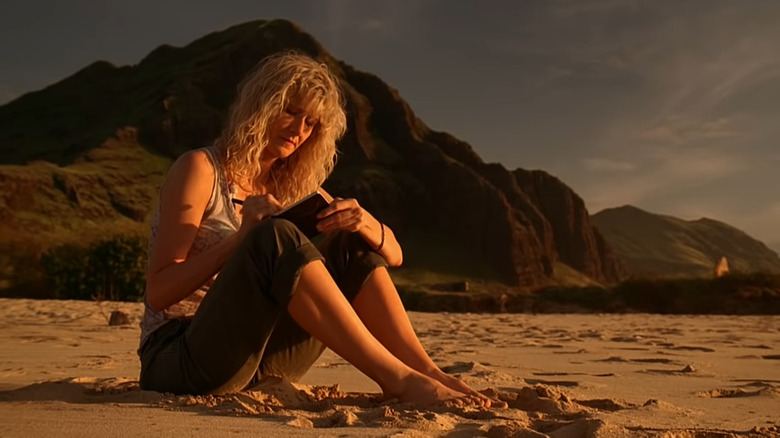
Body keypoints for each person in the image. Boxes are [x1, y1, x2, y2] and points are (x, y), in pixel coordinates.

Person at [137, 51, 498, 407]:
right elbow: (159, 290)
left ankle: (426, 371)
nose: (299, 131)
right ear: (261, 107)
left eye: (310, 123)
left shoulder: (292, 188)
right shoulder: (201, 168)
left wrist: (366, 223)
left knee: (345, 240)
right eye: (291, 112)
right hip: (179, 356)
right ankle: (399, 381)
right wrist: (240, 240)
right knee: (274, 237)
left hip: (257, 359)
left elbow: (395, 256)